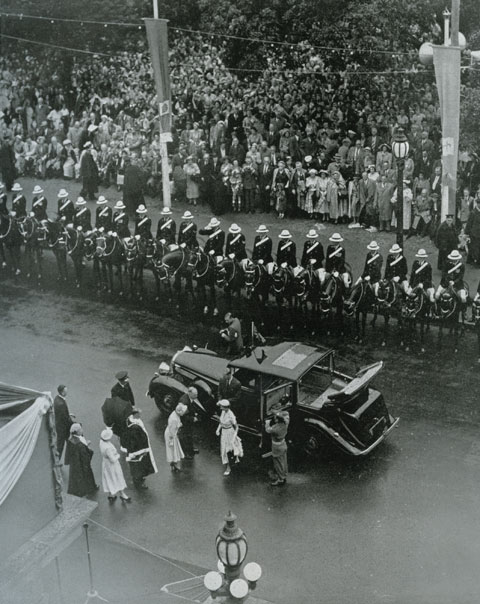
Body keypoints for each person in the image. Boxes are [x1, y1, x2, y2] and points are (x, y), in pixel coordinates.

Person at [124, 410, 157, 489]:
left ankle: (138, 479)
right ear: (134, 414)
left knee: (137, 465)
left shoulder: (130, 423)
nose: (140, 415)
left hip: (136, 450)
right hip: (138, 450)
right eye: (138, 414)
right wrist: (144, 450)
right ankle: (138, 482)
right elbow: (139, 440)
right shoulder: (135, 427)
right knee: (139, 466)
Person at [65, 423, 98, 497]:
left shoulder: (71, 440)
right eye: (80, 429)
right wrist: (87, 447)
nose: (82, 430)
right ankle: (90, 488)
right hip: (82, 464)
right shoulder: (79, 444)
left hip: (75, 463)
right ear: (77, 431)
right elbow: (84, 455)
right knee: (87, 476)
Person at [99, 428, 130, 502]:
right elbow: (113, 459)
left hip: (106, 464)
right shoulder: (108, 448)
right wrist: (118, 456)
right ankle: (122, 494)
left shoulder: (101, 442)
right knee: (117, 478)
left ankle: (111, 494)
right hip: (112, 465)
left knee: (109, 478)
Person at [215, 399, 243, 476]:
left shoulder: (231, 415)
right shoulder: (223, 412)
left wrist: (234, 437)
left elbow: (237, 427)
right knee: (224, 449)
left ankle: (229, 467)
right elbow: (221, 422)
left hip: (230, 433)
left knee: (230, 450)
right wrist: (218, 430)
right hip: (224, 433)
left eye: (222, 407)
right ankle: (228, 465)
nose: (220, 408)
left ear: (226, 407)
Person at [264, 409, 289, 486]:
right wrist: (274, 412)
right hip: (283, 444)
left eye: (276, 418)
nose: (274, 419)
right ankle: (284, 475)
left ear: (278, 420)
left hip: (277, 447)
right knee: (283, 461)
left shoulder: (275, 429)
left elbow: (267, 430)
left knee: (277, 463)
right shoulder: (286, 424)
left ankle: (281, 479)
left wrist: (267, 423)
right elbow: (283, 416)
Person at [177, 387, 201, 459]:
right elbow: (182, 416)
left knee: (189, 435)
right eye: (195, 394)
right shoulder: (183, 402)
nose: (196, 396)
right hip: (184, 423)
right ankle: (185, 453)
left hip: (188, 422)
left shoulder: (190, 398)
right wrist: (192, 418)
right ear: (190, 393)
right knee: (185, 437)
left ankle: (190, 449)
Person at [53, 384, 74, 459]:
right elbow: (65, 419)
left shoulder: (57, 398)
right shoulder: (61, 404)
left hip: (59, 426)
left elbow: (62, 413)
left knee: (61, 444)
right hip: (63, 428)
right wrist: (74, 424)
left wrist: (68, 414)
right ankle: (58, 460)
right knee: (62, 445)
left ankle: (58, 459)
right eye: (66, 391)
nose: (67, 392)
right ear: (62, 392)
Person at [165, 403, 187, 472]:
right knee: (173, 450)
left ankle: (173, 464)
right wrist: (171, 441)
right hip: (171, 435)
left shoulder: (175, 414)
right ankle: (175, 465)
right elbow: (172, 431)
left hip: (172, 434)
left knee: (173, 450)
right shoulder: (174, 419)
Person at [465, 197, 480, 267]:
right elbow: (469, 223)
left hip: (478, 233)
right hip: (474, 233)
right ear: (477, 204)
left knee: (473, 247)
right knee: (475, 247)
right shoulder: (473, 213)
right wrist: (467, 233)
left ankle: (470, 260)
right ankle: (477, 262)